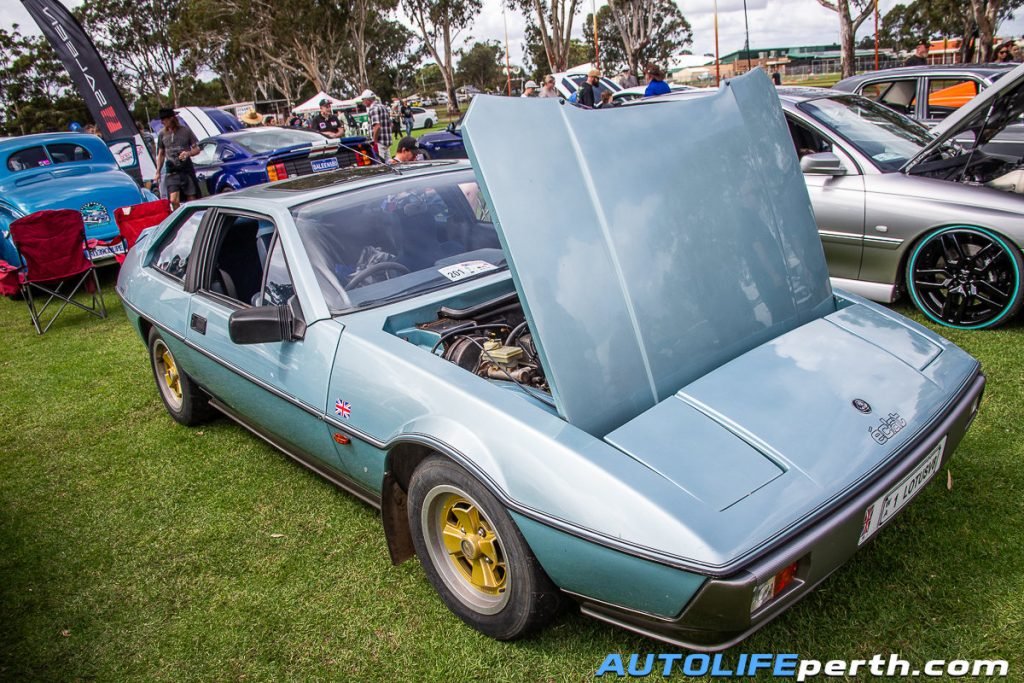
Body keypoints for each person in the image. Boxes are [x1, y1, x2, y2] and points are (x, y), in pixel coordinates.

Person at [154, 107, 200, 210]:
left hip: (186, 170)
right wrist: (157, 172)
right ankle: (179, 216)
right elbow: (161, 154)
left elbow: (197, 149)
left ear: (171, 118)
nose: (162, 122)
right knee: (173, 200)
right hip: (172, 171)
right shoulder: (162, 134)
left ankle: (192, 217)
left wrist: (188, 153)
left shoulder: (186, 131)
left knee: (192, 199)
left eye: (164, 119)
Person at [362, 89, 393, 163]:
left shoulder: (373, 109)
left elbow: (377, 126)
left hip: (379, 143)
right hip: (386, 141)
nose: (363, 102)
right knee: (389, 164)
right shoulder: (383, 107)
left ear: (368, 100)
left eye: (363, 100)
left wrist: (374, 141)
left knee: (380, 164)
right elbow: (390, 124)